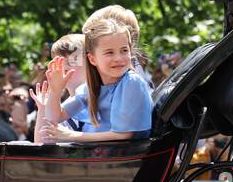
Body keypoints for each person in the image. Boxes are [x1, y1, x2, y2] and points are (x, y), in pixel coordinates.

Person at [35, 15, 154, 143]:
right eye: (110, 52)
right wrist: (55, 91)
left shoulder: (131, 82)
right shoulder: (91, 87)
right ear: (92, 59)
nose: (119, 58)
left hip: (125, 157)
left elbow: (123, 135)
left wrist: (71, 136)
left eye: (124, 50)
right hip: (103, 156)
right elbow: (56, 118)